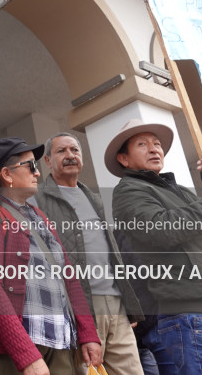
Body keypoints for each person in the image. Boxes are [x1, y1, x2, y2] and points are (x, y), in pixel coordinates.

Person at [105, 119, 202, 374]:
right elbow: (157, 230)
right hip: (194, 319)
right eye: (142, 144)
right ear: (124, 159)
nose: (154, 149)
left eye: (157, 144)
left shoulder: (179, 191)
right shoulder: (128, 190)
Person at [0, 137, 102, 374]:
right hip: (22, 344)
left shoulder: (39, 217)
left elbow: (68, 278)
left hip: (60, 339)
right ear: (7, 175)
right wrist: (26, 355)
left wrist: (88, 334)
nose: (38, 173)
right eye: (30, 166)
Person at [31, 132, 143, 375]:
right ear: (48, 161)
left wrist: (129, 302)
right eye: (61, 151)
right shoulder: (37, 199)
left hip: (116, 304)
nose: (70, 155)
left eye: (75, 150)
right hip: (77, 307)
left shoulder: (94, 198)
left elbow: (112, 250)